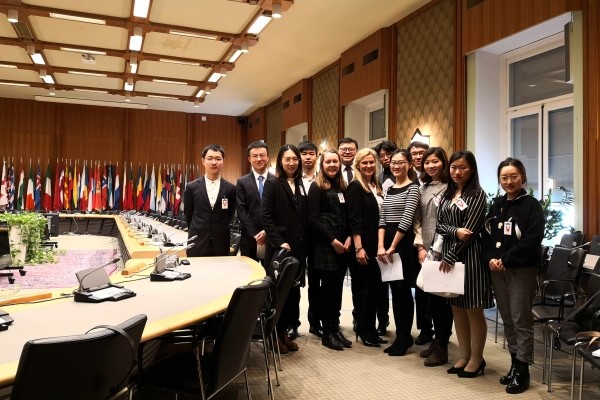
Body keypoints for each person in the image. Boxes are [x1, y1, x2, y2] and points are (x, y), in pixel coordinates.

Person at [482, 158, 544, 394]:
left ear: (523, 177)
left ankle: (523, 371)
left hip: (521, 270)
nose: (509, 181)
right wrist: (490, 258)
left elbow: (532, 239)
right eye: (504, 177)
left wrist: (506, 259)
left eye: (514, 176)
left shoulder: (532, 205)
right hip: (497, 270)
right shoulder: (497, 204)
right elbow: (486, 237)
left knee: (521, 321)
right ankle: (514, 364)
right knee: (508, 320)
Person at [438, 150, 492, 378]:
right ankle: (464, 355)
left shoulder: (477, 194)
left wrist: (451, 254)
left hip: (470, 257)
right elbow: (440, 225)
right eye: (453, 167)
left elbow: (470, 231)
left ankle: (477, 358)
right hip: (449, 255)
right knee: (456, 307)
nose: (457, 172)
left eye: (462, 168)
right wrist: (454, 231)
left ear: (472, 170)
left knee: (472, 308)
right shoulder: (448, 193)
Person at [261, 144, 307, 353]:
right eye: (287, 159)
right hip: (281, 249)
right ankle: (274, 335)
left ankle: (285, 333)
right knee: (279, 294)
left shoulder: (300, 183)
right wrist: (279, 241)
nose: (292, 163)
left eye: (295, 159)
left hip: (297, 248)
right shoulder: (272, 183)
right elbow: (266, 216)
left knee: (293, 294)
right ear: (280, 161)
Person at [307, 149, 352, 350]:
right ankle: (327, 333)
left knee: (336, 291)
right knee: (326, 292)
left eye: (335, 161)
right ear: (322, 164)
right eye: (328, 162)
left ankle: (335, 328)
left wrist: (348, 237)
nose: (332, 165)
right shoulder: (316, 187)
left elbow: (347, 216)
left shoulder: (342, 186)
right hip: (325, 246)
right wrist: (333, 241)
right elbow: (313, 219)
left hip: (342, 246)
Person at [377, 149, 420, 356]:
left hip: (402, 244)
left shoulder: (413, 188)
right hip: (386, 243)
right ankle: (401, 335)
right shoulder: (389, 188)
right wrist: (380, 246)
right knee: (394, 290)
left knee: (403, 292)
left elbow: (407, 219)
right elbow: (382, 218)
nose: (396, 166)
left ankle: (405, 336)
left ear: (409, 165)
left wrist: (393, 246)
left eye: (401, 162)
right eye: (393, 162)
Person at [413, 147, 454, 367]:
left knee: (442, 300)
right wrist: (420, 246)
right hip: (426, 249)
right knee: (430, 299)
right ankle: (437, 341)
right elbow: (417, 220)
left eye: (435, 161)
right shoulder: (422, 188)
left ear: (443, 163)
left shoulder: (452, 188)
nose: (430, 165)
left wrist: (438, 249)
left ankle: (442, 345)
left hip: (446, 249)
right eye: (427, 162)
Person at [346, 148, 387, 348]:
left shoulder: (375, 185)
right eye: (365, 163)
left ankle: (371, 329)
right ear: (358, 165)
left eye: (371, 162)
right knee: (364, 291)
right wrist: (358, 248)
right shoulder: (355, 186)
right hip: (363, 246)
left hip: (376, 245)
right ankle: (363, 330)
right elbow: (354, 220)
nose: (369, 166)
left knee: (375, 290)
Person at [184, 144, 236, 257]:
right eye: (210, 158)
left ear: (223, 161)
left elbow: (230, 215)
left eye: (218, 159)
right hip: (197, 241)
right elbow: (188, 214)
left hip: (221, 243)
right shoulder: (191, 187)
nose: (214, 162)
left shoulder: (231, 189)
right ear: (203, 161)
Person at [373, 140, 397, 335]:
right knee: (380, 284)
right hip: (380, 235)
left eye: (389, 154)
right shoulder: (378, 178)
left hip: (399, 236)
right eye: (381, 156)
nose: (386, 158)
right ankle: (382, 321)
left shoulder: (407, 176)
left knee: (398, 284)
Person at [299, 140, 322, 338]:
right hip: (297, 237)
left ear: (317, 156)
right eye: (304, 153)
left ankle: (315, 321)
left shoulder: (323, 179)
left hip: (318, 238)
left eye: (311, 153)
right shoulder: (292, 179)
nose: (308, 157)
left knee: (316, 282)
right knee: (294, 281)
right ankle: (292, 323)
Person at [236, 141, 273, 261]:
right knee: (250, 271)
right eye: (255, 156)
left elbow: (280, 210)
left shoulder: (277, 181)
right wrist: (256, 234)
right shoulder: (242, 182)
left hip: (272, 236)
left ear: (268, 157)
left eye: (262, 155)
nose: (259, 159)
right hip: (249, 238)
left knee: (270, 272)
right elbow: (241, 210)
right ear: (249, 159)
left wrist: (267, 231)